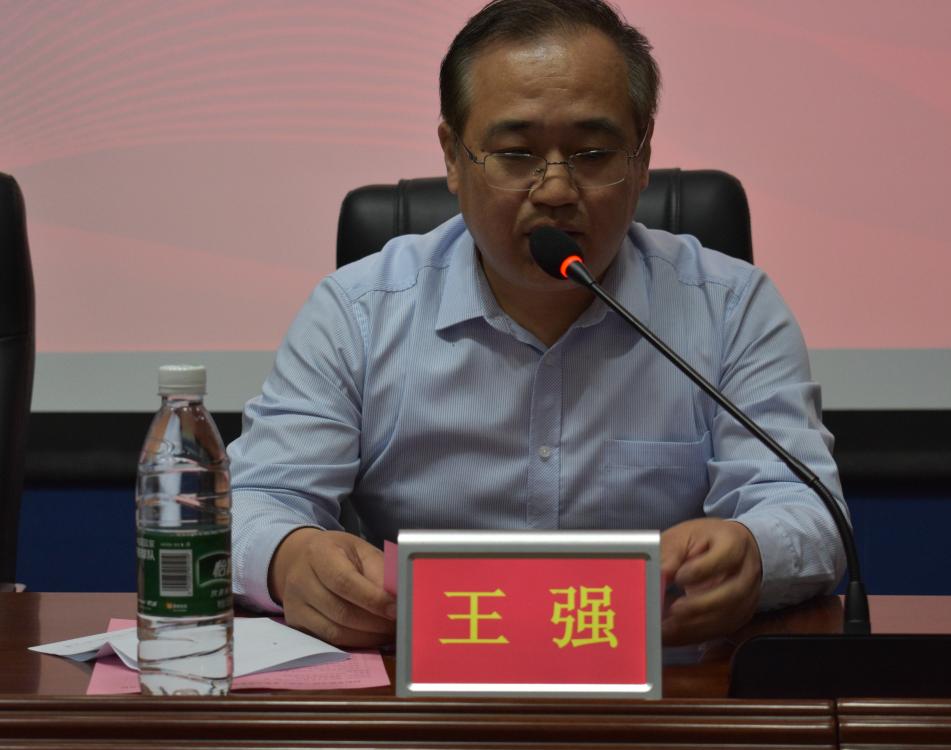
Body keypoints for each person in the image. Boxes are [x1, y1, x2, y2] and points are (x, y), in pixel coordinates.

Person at [229, 0, 847, 649]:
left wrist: (753, 551)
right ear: (453, 156)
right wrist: (288, 558)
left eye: (593, 152)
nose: (555, 190)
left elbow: (806, 510)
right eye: (517, 153)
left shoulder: (729, 308)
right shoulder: (358, 314)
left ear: (641, 158)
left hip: (666, 686)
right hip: (424, 689)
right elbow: (254, 500)